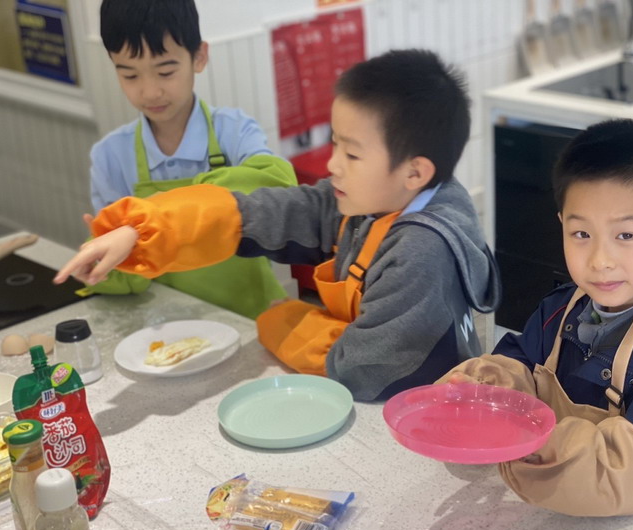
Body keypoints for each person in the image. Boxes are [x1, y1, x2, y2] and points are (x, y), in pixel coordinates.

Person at [55, 49, 501, 403]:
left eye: (352, 154)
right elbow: (257, 213)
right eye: (335, 145)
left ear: (415, 172)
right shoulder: (375, 200)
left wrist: (281, 319)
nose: (332, 165)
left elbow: (364, 369)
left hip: (414, 417)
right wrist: (141, 230)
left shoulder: (422, 250)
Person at [440, 119, 633, 516]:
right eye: (582, 235)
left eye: (626, 236)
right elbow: (523, 362)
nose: (600, 261)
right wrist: (486, 388)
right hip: (573, 488)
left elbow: (631, 468)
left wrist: (525, 443)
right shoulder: (563, 305)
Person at [88, 0, 295, 319]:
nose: (150, 92)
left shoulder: (236, 132)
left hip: (252, 314)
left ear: (199, 57)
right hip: (168, 324)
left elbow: (277, 188)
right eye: (130, 75)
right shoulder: (110, 157)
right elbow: (129, 275)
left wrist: (154, 216)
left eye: (165, 71)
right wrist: (103, 263)